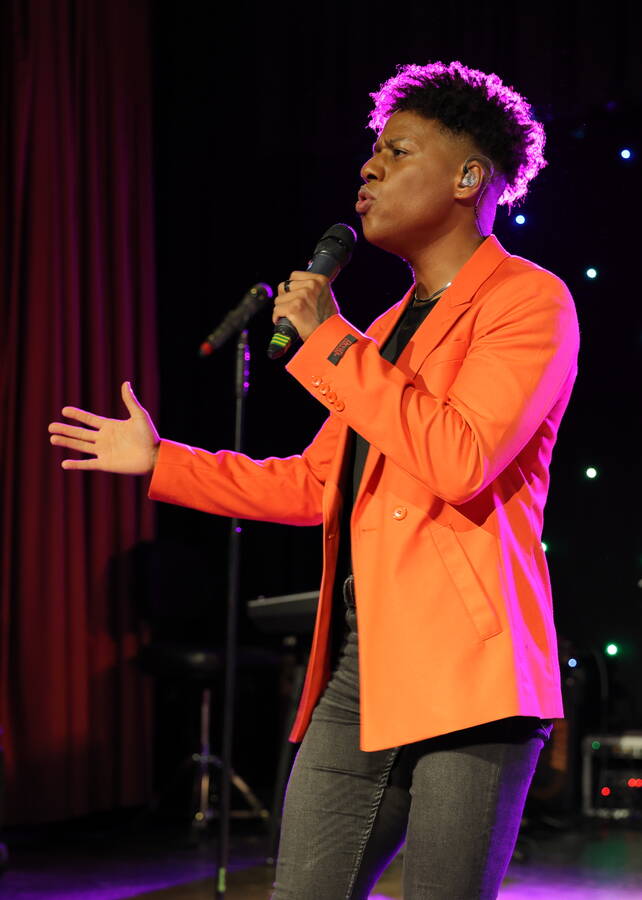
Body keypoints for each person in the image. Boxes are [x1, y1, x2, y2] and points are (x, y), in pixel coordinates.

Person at [49, 61, 579, 899]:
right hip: (360, 666)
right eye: (373, 150)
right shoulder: (387, 329)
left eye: (398, 151)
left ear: (469, 178)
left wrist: (333, 342)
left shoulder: (528, 302)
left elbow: (460, 458)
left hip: (471, 671)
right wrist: (164, 462)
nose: (369, 167)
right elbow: (311, 485)